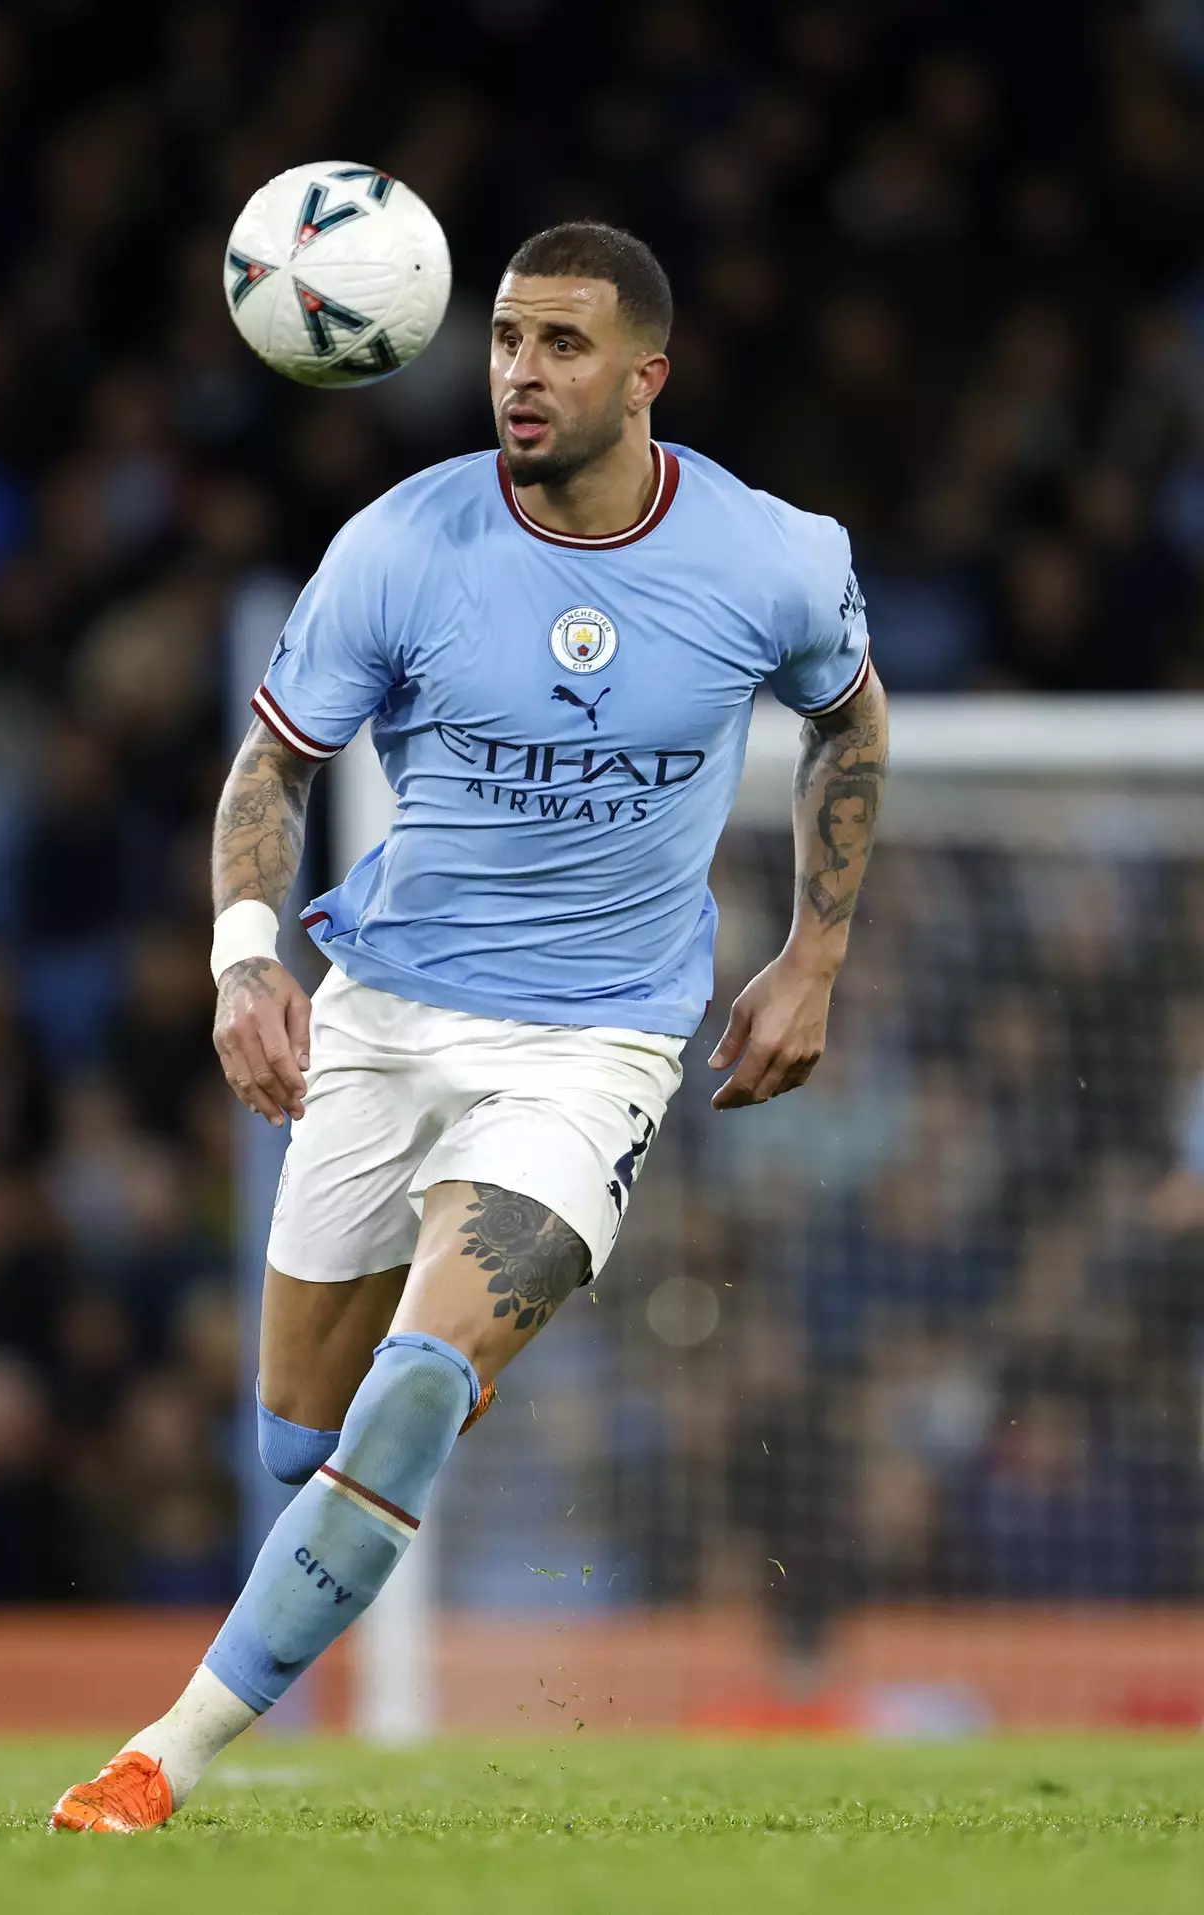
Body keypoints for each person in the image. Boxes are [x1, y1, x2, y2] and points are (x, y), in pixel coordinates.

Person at [51, 220, 888, 1832]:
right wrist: (241, 961)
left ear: (649, 374)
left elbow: (848, 717)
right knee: (303, 1438)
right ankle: (387, 1434)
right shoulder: (399, 545)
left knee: (420, 1379)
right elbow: (271, 768)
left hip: (594, 1048)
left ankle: (162, 1756)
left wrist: (817, 954)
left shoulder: (772, 554)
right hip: (385, 1018)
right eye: (506, 338)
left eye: (563, 346)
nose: (519, 371)